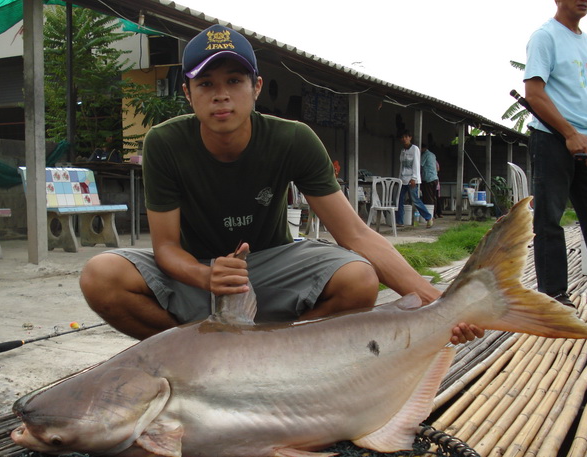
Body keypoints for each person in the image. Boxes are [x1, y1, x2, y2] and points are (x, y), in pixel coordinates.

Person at [79, 24, 481, 344]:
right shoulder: (164, 142)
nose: (221, 96)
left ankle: (277, 351)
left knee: (359, 278)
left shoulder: (293, 139)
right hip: (197, 271)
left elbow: (356, 233)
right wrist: (206, 277)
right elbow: (165, 247)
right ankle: (192, 355)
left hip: (270, 266)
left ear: (255, 87)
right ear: (187, 93)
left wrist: (438, 303)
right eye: (206, 84)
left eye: (234, 81)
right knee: (101, 275)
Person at [524, 0, 587, 310]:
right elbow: (534, 94)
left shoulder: (586, 40)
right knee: (550, 218)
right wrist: (568, 133)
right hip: (553, 139)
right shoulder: (545, 37)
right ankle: (553, 297)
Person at [396, 131, 433, 228]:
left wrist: (414, 178)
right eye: (402, 137)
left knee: (415, 199)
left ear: (410, 137)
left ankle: (428, 217)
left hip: (411, 179)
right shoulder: (403, 150)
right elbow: (401, 166)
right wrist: (399, 179)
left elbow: (416, 164)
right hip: (403, 179)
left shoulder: (415, 149)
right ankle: (399, 221)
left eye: (406, 137)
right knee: (399, 199)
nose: (404, 139)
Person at [420, 144, 442, 218]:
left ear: (423, 148)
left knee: (428, 197)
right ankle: (434, 213)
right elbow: (437, 167)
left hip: (428, 178)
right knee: (434, 197)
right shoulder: (433, 155)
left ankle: (430, 214)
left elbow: (419, 165)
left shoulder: (425, 155)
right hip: (435, 178)